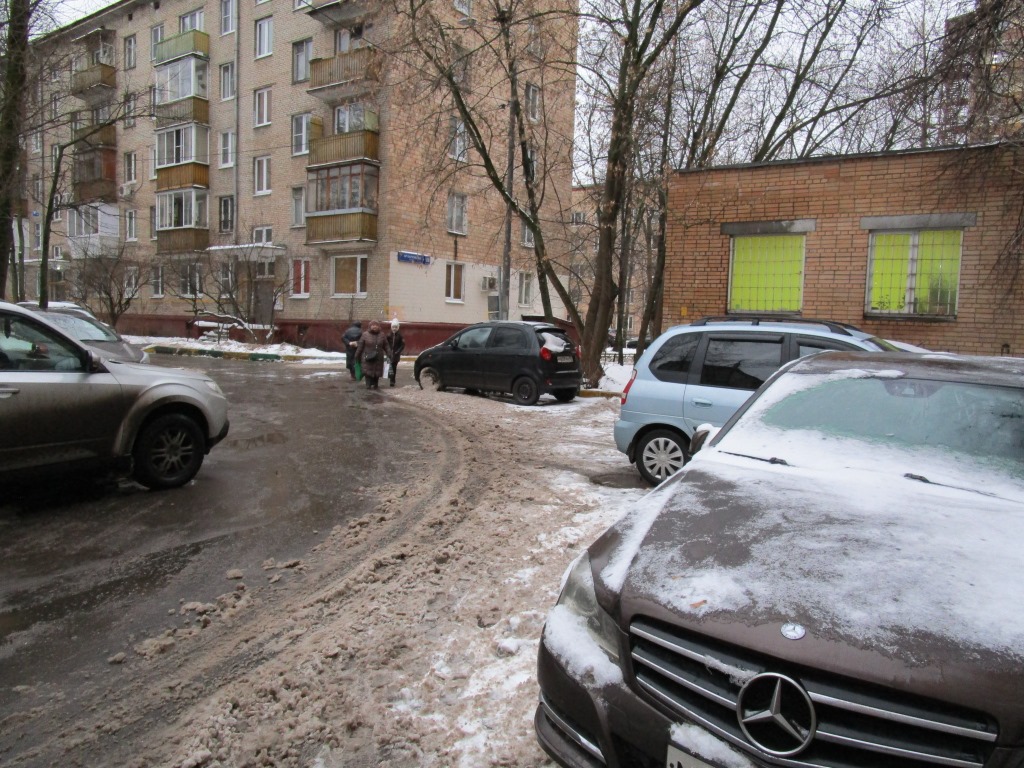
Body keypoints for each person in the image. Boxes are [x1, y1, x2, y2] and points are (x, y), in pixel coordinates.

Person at [356, 320, 391, 390]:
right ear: (370, 326)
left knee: (377, 371)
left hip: (378, 357)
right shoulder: (365, 335)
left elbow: (386, 345)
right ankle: (368, 384)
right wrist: (357, 355)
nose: (375, 326)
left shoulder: (382, 335)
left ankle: (376, 384)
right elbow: (360, 346)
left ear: (379, 327)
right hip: (367, 357)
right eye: (373, 325)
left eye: (376, 325)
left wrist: (389, 353)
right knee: (367, 372)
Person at [385, 318, 405, 387]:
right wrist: (387, 351)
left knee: (394, 367)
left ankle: (392, 381)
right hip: (389, 354)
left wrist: (398, 351)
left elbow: (402, 345)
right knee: (389, 367)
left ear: (398, 327)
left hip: (396, 355)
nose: (394, 328)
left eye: (396, 327)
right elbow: (386, 344)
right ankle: (390, 378)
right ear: (391, 327)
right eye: (393, 327)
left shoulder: (400, 335)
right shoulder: (388, 335)